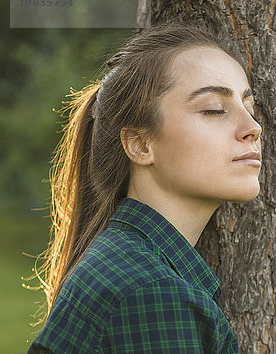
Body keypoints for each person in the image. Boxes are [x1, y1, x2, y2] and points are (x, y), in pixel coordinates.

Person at [27, 22, 262, 353]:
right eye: (214, 109)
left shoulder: (129, 266)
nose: (253, 127)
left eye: (249, 108)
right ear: (139, 144)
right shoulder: (152, 292)